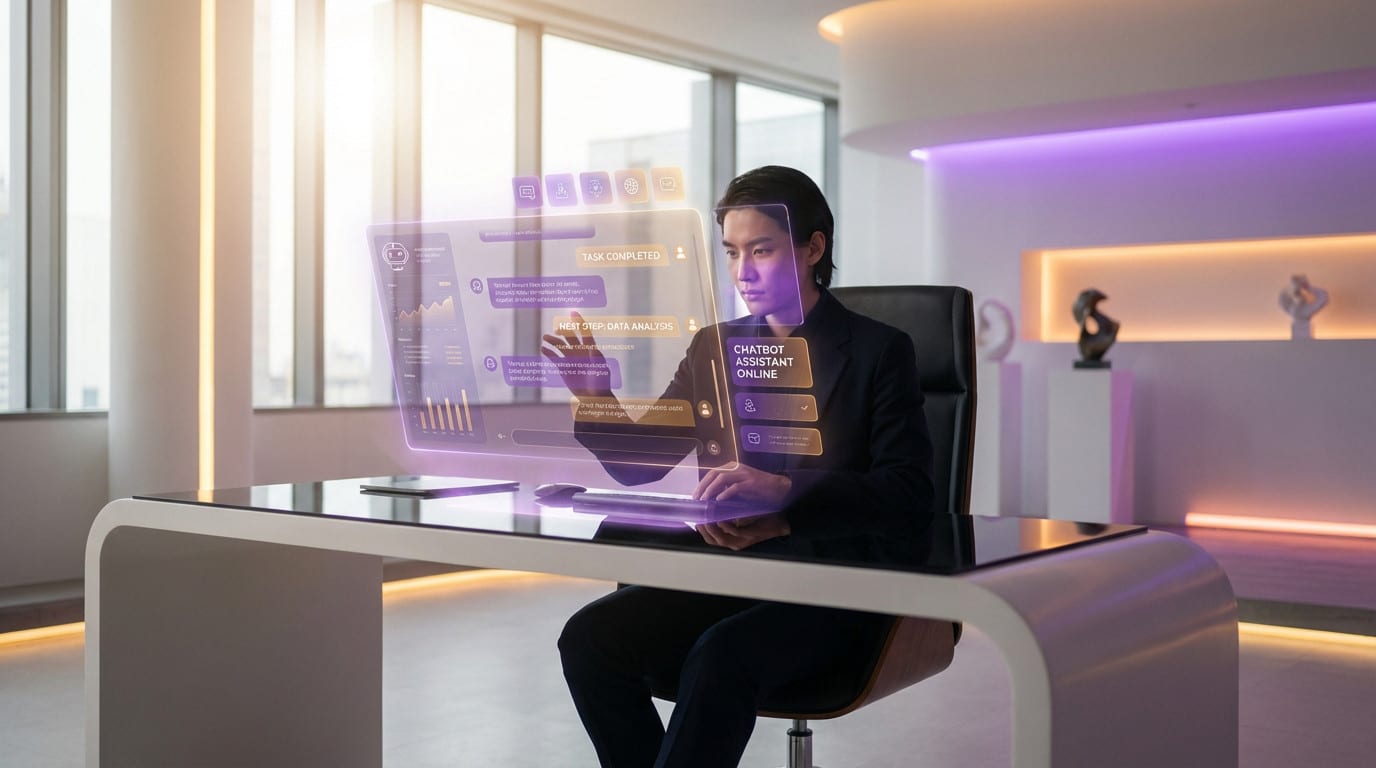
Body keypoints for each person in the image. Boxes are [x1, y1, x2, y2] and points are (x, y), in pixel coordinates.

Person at [547, 165, 936, 768]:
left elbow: (908, 493)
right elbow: (642, 465)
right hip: (731, 572)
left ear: (813, 248)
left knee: (721, 654)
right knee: (589, 639)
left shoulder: (881, 350)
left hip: (835, 585)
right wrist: (595, 395)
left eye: (762, 250)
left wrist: (786, 496)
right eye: (731, 252)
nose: (743, 272)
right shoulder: (715, 346)